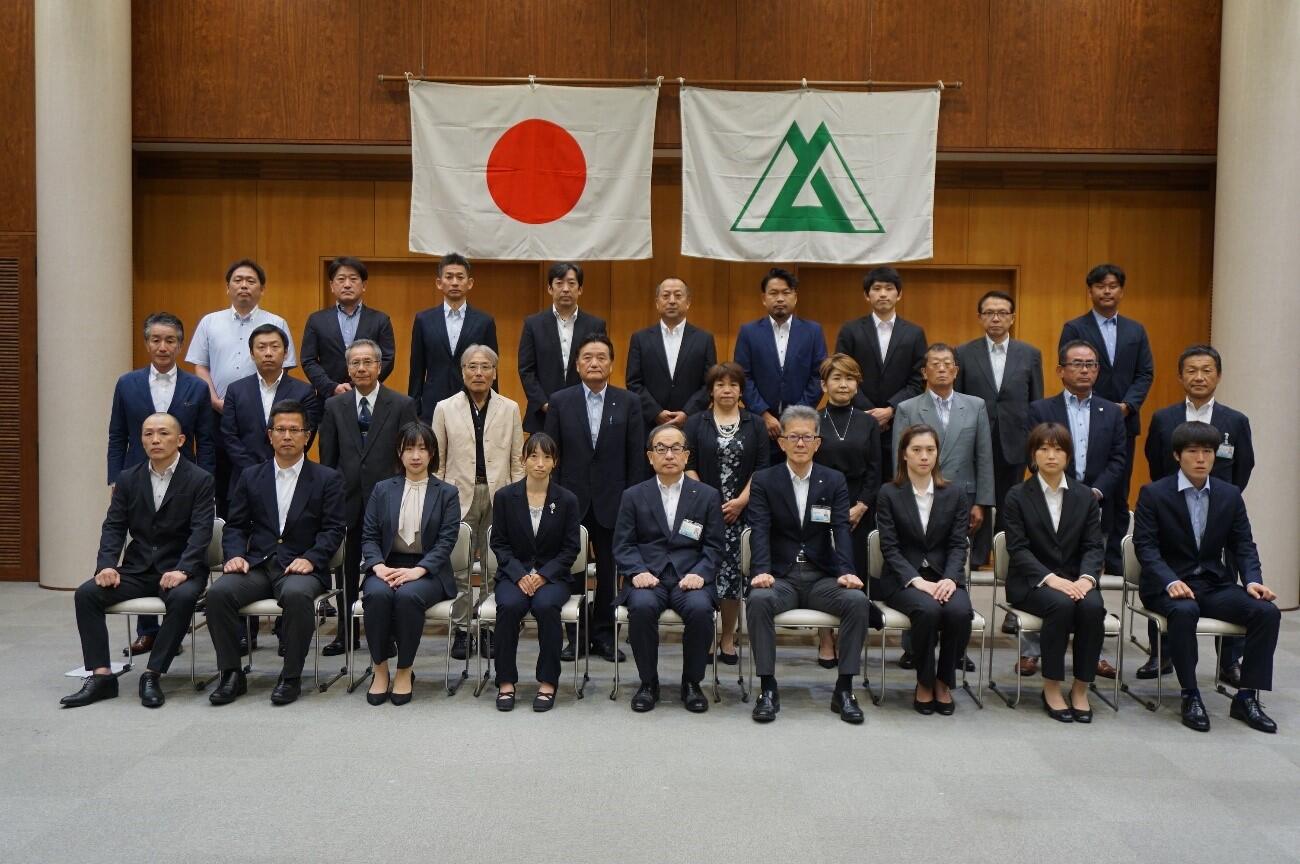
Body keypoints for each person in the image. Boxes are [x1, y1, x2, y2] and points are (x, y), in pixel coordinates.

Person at [1133, 421, 1280, 733]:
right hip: (1167, 584)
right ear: (1177, 455)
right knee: (1185, 611)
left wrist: (1253, 580)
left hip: (1212, 583)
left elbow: (1243, 544)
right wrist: (1170, 580)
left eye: (1208, 452)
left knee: (1266, 612)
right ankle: (1190, 694)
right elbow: (1145, 547)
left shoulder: (1229, 495)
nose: (1201, 458)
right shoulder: (1154, 494)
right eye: (1193, 451)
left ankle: (1246, 696)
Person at [63, 414, 215, 709]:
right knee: (87, 594)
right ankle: (102, 676)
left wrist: (183, 569)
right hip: (138, 568)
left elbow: (201, 532)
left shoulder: (200, 479)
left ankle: (153, 674)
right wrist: (107, 565)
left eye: (163, 433)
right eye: (148, 434)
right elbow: (114, 526)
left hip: (180, 569)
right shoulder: (128, 478)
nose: (155, 440)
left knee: (183, 598)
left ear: (180, 440)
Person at [205, 400, 345, 706]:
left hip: (302, 566)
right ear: (269, 435)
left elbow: (334, 530)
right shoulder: (251, 476)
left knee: (296, 595)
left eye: (295, 430)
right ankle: (231, 673)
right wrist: (234, 554)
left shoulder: (327, 478)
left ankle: (290, 676)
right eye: (280, 429)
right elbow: (236, 525)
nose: (287, 436)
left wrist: (311, 558)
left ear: (307, 436)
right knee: (218, 594)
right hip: (258, 565)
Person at [746, 405, 871, 725]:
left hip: (820, 577)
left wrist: (847, 571)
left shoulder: (833, 480)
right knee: (758, 600)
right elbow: (759, 529)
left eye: (807, 437)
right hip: (781, 577)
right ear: (781, 442)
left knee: (857, 601)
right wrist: (761, 570)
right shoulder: (764, 480)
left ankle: (845, 689)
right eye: (793, 437)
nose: (800, 443)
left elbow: (840, 529)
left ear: (818, 442)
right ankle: (767, 688)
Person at [1139, 344, 1253, 683]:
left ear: (1218, 375)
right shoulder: (1164, 418)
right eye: (1191, 370)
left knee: (1227, 581)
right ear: (1180, 376)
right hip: (1172, 514)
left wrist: (1223, 504)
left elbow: (1244, 467)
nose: (1199, 377)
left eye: (1206, 370)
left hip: (1219, 516)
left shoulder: (1235, 421)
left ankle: (1229, 661)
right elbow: (1155, 463)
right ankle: (1161, 654)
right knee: (1165, 577)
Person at [106, 312, 214, 654]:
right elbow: (117, 434)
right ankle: (147, 630)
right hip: (136, 478)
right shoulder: (127, 383)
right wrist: (114, 478)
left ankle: (172, 629)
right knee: (142, 549)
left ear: (180, 345)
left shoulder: (196, 387)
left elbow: (206, 440)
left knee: (176, 544)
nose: (163, 346)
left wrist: (206, 480)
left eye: (170, 340)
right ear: (147, 343)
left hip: (185, 479)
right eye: (156, 340)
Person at [1024, 339, 1126, 679]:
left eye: (1091, 364)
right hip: (1050, 500)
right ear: (1060, 370)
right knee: (1043, 574)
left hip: (1095, 503)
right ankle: (1031, 652)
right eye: (1078, 364)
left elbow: (1118, 459)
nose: (1085, 370)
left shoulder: (1112, 411)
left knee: (1089, 579)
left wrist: (1092, 492)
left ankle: (1092, 655)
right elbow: (1036, 455)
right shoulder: (1041, 409)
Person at [892, 343, 993, 671]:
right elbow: (899, 457)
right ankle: (913, 648)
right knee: (915, 564)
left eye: (947, 363)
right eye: (934, 363)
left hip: (961, 499)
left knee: (954, 568)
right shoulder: (908, 407)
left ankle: (957, 649)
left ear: (956, 370)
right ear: (924, 372)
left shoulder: (975, 405)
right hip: (916, 496)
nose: (941, 368)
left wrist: (982, 501)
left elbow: (983, 455)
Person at [545, 332, 645, 662]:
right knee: (570, 571)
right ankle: (576, 636)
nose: (594, 363)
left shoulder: (628, 402)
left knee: (609, 573)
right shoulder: (560, 401)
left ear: (611, 364)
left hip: (614, 501)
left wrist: (633, 502)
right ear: (577, 364)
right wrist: (554, 499)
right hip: (570, 501)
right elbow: (552, 455)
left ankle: (605, 636)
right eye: (587, 357)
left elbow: (636, 458)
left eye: (601, 357)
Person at [614, 424, 725, 713]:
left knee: (701, 610)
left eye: (676, 448)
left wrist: (700, 573)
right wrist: (637, 571)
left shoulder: (707, 495)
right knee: (641, 608)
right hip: (648, 577)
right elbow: (623, 544)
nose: (669, 455)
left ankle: (692, 683)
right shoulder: (633, 495)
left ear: (686, 455)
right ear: (650, 457)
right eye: (661, 449)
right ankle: (648, 683)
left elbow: (714, 546)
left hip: (690, 577)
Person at [318, 338, 418, 658]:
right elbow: (328, 460)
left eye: (367, 362)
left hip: (389, 500)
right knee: (345, 568)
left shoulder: (401, 404)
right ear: (348, 369)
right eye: (355, 363)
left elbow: (408, 455)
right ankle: (346, 633)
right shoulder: (334, 406)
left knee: (388, 567)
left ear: (379, 366)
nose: (361, 368)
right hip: (346, 501)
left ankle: (387, 633)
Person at [1001, 422, 1107, 723]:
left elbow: (1093, 546)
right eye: (1044, 449)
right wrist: (1052, 580)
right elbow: (1018, 549)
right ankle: (1051, 686)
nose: (1051, 455)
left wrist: (1087, 579)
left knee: (1093, 607)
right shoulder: (1017, 496)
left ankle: (1081, 688)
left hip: (1077, 580)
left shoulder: (1084, 496)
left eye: (1058, 449)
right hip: (1032, 583)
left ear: (1068, 456)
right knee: (1060, 605)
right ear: (1033, 455)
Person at [1059, 263, 1153, 581]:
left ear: (1121, 291)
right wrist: (1100, 406)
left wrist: (1126, 406)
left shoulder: (1135, 330)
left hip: (1124, 421)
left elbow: (1145, 373)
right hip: (1082, 415)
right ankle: (1074, 559)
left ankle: (1114, 562)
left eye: (1113, 286)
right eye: (1100, 286)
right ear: (1090, 291)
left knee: (1117, 492)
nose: (1107, 291)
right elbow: (1073, 370)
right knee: (1075, 487)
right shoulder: (1075, 327)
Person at [431, 344, 525, 659]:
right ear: (463, 372)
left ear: (495, 373)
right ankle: (461, 630)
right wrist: (439, 498)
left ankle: (488, 628)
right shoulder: (444, 408)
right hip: (457, 495)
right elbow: (438, 460)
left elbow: (517, 460)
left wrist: (517, 498)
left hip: (500, 495)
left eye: (485, 367)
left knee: (493, 566)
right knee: (459, 569)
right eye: (472, 366)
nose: (479, 373)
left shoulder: (510, 408)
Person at [358, 421, 460, 706]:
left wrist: (418, 571)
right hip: (387, 566)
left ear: (432, 453)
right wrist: (378, 567)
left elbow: (446, 542)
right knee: (376, 595)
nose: (416, 456)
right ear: (399, 452)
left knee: (407, 596)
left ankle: (405, 670)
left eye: (422, 449)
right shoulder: (382, 489)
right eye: (409, 449)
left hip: (428, 570)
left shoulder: (447, 493)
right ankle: (380, 669)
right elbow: (369, 536)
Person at [186, 258, 297, 515]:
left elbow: (284, 367)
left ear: (262, 289)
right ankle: (226, 532)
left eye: (250, 281)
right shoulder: (210, 322)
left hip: (263, 415)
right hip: (217, 410)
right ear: (228, 287)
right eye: (238, 280)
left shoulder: (277, 322)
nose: (244, 285)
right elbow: (200, 366)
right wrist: (215, 400)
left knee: (269, 476)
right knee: (223, 476)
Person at [875, 424, 972, 715]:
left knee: (959, 612)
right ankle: (924, 681)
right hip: (904, 580)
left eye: (930, 450)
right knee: (927, 611)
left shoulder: (954, 493)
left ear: (937, 454)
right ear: (904, 454)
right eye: (916, 450)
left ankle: (944, 681)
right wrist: (917, 581)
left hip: (945, 577)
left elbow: (958, 544)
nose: (924, 456)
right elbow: (889, 547)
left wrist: (950, 578)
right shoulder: (889, 493)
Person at [684, 362, 768, 665]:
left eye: (733, 385)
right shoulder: (696, 422)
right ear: (711, 391)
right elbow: (688, 464)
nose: (727, 390)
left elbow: (762, 467)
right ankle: (706, 635)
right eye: (720, 385)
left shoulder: (755, 423)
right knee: (706, 574)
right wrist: (709, 504)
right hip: (703, 512)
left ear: (741, 391)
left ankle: (728, 637)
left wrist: (741, 501)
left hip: (741, 513)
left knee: (732, 577)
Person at [490, 434, 581, 712]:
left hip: (553, 577)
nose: (540, 463)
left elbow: (571, 548)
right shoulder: (505, 497)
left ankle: (548, 681)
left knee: (545, 606)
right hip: (513, 575)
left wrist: (543, 575)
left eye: (547, 457)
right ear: (523, 460)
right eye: (533, 456)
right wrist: (519, 574)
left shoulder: (567, 500)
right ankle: (506, 681)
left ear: (555, 462)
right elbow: (499, 543)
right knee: (508, 606)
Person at [954, 289, 1043, 565]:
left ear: (1012, 318)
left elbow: (1036, 401)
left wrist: (1034, 444)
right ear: (980, 317)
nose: (996, 318)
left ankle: (1005, 558)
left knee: (1010, 499)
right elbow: (958, 400)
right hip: (975, 438)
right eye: (989, 313)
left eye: (1002, 313)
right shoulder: (964, 353)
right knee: (977, 499)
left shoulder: (1030, 354)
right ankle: (977, 556)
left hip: (1015, 439)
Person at [813, 354, 883, 666]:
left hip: (859, 506)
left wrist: (861, 506)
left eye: (849, 379)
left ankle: (848, 635)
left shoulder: (868, 422)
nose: (843, 384)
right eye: (837, 378)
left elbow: (875, 469)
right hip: (819, 503)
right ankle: (825, 637)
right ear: (824, 385)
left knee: (854, 571)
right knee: (823, 572)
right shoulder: (813, 420)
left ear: (857, 385)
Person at [833, 265, 927, 473]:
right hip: (857, 418)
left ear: (899, 294)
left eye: (889, 288)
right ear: (867, 295)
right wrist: (869, 413)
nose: (883, 294)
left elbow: (918, 380)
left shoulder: (914, 333)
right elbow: (842, 374)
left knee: (896, 478)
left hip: (899, 421)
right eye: (876, 288)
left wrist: (890, 410)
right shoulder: (850, 330)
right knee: (859, 476)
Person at [733, 268, 828, 462]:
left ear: (795, 297)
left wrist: (796, 416)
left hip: (801, 426)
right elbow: (743, 377)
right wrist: (764, 415)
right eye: (773, 293)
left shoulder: (813, 331)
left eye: (786, 292)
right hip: (760, 424)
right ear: (764, 298)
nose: (780, 298)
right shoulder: (749, 332)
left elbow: (818, 375)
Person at [219, 323, 319, 501]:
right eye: (261, 347)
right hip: (244, 478)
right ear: (252, 354)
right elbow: (229, 435)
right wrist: (254, 470)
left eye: (274, 347)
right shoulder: (235, 390)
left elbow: (306, 435)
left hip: (291, 476)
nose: (268, 353)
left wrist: (279, 465)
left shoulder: (305, 391)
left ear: (285, 353)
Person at [409, 252, 498, 423]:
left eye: (460, 277)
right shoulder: (423, 320)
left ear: (470, 283)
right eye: (449, 277)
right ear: (439, 283)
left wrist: (492, 407)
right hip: (432, 405)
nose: (455, 282)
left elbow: (492, 369)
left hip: (473, 403)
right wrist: (414, 411)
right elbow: (416, 371)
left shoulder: (484, 321)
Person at [518, 262, 606, 433]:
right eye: (559, 283)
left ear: (580, 289)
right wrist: (544, 403)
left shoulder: (595, 325)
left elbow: (600, 367)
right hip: (543, 415)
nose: (565, 289)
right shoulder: (533, 324)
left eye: (571, 283)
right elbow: (526, 369)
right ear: (550, 288)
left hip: (585, 412)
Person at [300, 256, 396, 403]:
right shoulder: (316, 320)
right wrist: (331, 387)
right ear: (332, 286)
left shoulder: (380, 320)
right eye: (341, 279)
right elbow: (308, 360)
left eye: (353, 279)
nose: (347, 285)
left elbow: (387, 359)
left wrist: (356, 385)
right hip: (328, 399)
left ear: (364, 285)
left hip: (369, 397)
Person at [625, 277, 717, 430]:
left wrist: (688, 413)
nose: (672, 301)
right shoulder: (640, 338)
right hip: (650, 425)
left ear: (688, 302)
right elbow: (633, 382)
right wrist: (656, 412)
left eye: (678, 295)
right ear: (657, 302)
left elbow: (709, 383)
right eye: (666, 295)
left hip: (692, 424)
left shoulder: (704, 339)